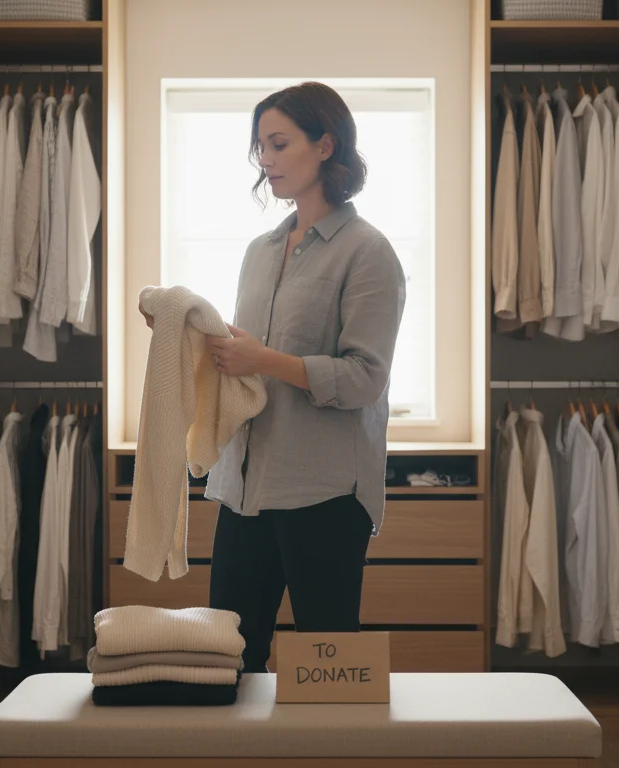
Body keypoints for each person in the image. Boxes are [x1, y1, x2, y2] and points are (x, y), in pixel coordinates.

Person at [189, 81, 405, 673]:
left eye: (280, 144)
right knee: (229, 659)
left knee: (327, 668)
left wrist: (266, 361)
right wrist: (184, 330)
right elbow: (246, 359)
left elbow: (365, 379)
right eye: (261, 147)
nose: (267, 160)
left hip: (326, 494)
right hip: (245, 490)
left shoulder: (369, 252)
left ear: (326, 145)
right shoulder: (259, 251)